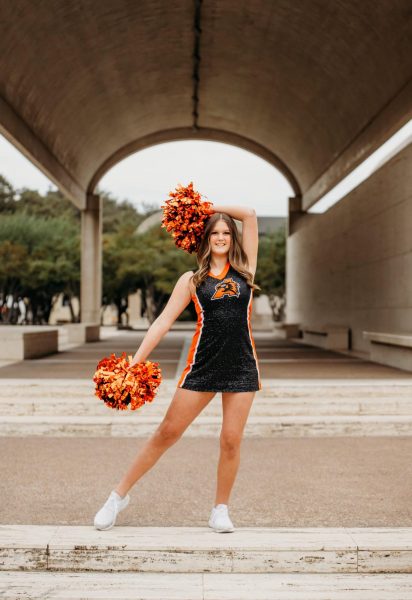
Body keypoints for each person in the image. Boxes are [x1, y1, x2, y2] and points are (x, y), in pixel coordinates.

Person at [94, 204, 261, 533]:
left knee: (231, 440)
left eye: (227, 233)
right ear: (205, 238)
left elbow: (251, 214)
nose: (222, 238)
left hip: (242, 366)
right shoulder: (192, 280)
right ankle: (117, 497)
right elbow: (162, 322)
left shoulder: (245, 271)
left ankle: (220, 509)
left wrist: (202, 207)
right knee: (166, 433)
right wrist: (136, 360)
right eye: (215, 232)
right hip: (202, 366)